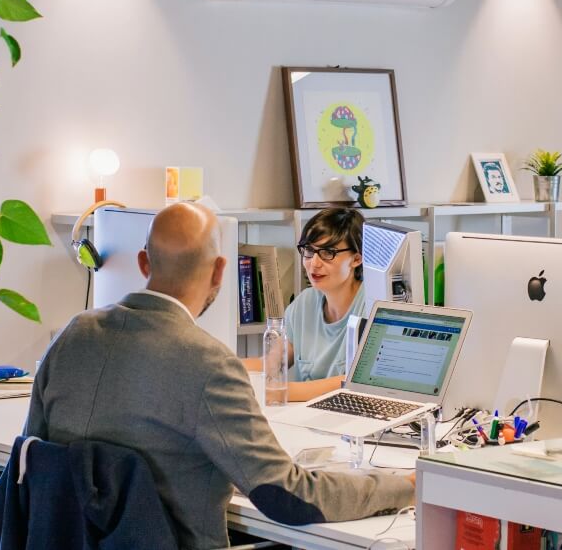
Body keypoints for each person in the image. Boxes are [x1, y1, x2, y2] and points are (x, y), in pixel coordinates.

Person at [25, 203, 413, 550]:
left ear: (143, 263)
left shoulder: (73, 335)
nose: (315, 262)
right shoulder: (209, 365)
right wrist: (405, 486)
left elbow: (32, 456)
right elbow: (289, 497)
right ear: (220, 270)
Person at [244, 208, 366, 401]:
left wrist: (280, 392)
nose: (313, 264)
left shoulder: (372, 306)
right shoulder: (304, 303)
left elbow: (357, 384)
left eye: (328, 253)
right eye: (309, 251)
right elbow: (272, 363)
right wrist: (221, 367)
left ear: (357, 258)